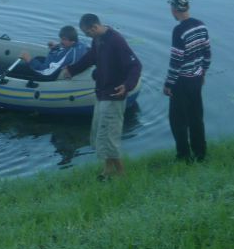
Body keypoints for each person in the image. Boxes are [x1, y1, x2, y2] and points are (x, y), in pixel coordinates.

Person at [61, 14, 142, 180]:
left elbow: (135, 65)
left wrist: (127, 85)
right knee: (100, 132)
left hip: (114, 95)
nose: (86, 36)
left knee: (109, 135)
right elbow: (90, 58)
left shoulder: (116, 41)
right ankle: (107, 169)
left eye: (87, 33)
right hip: (102, 93)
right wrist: (73, 69)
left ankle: (121, 173)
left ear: (94, 28)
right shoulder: (97, 40)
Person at [163, 0, 212, 163]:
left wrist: (169, 83)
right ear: (188, 8)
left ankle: (183, 155)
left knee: (178, 120)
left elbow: (176, 61)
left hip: (181, 81)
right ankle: (200, 153)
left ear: (174, 10)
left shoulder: (179, 30)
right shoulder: (201, 26)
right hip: (197, 79)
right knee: (196, 117)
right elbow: (207, 53)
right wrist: (203, 71)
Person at [12, 25, 88, 80]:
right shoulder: (80, 45)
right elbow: (66, 49)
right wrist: (56, 47)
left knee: (21, 68)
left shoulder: (68, 56)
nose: (61, 41)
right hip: (52, 65)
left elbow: (47, 72)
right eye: (61, 39)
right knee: (38, 58)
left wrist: (29, 60)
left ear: (72, 40)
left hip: (49, 75)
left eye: (64, 39)